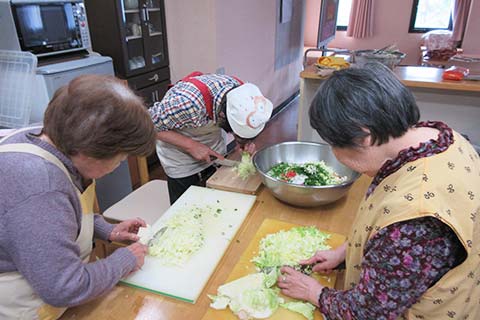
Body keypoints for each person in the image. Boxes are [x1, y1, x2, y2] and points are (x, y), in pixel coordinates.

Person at [277, 63, 480, 319]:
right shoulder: (443, 137)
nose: (335, 155)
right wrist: (345, 252)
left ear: (365, 137)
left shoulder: (415, 223)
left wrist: (313, 291)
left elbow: (367, 313)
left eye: (333, 144)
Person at [0, 74, 157, 319]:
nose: (119, 165)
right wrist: (124, 260)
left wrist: (108, 230)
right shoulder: (40, 186)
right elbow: (65, 286)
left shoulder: (50, 139)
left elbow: (58, 217)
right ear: (88, 152)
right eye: (120, 158)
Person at [149, 72, 273, 203]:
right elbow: (147, 125)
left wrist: (244, 142)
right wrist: (190, 145)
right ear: (222, 116)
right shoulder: (188, 104)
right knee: (185, 206)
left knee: (215, 198)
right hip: (180, 157)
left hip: (212, 146)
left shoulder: (243, 93)